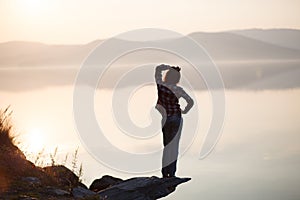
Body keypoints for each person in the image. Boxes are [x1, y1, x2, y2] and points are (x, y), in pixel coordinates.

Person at [155, 64, 194, 178]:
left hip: (166, 119)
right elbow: (190, 101)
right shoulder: (179, 90)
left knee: (167, 146)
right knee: (174, 146)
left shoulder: (161, 86)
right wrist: (185, 111)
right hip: (177, 118)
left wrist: (167, 67)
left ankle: (164, 173)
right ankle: (172, 173)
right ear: (177, 78)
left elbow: (157, 70)